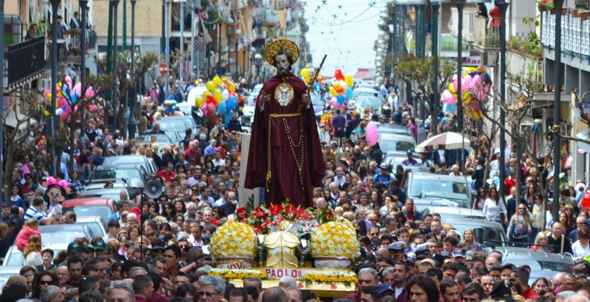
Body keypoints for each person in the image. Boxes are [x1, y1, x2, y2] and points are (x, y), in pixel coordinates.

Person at [245, 38, 326, 207]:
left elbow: (307, 114)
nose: (281, 64)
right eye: (278, 61)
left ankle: (296, 204)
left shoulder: (299, 85)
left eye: (284, 61)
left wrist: (307, 103)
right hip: (274, 136)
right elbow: (261, 113)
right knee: (276, 171)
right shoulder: (269, 85)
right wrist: (261, 104)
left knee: (294, 171)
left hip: (295, 136)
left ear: (289, 62)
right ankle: (276, 205)